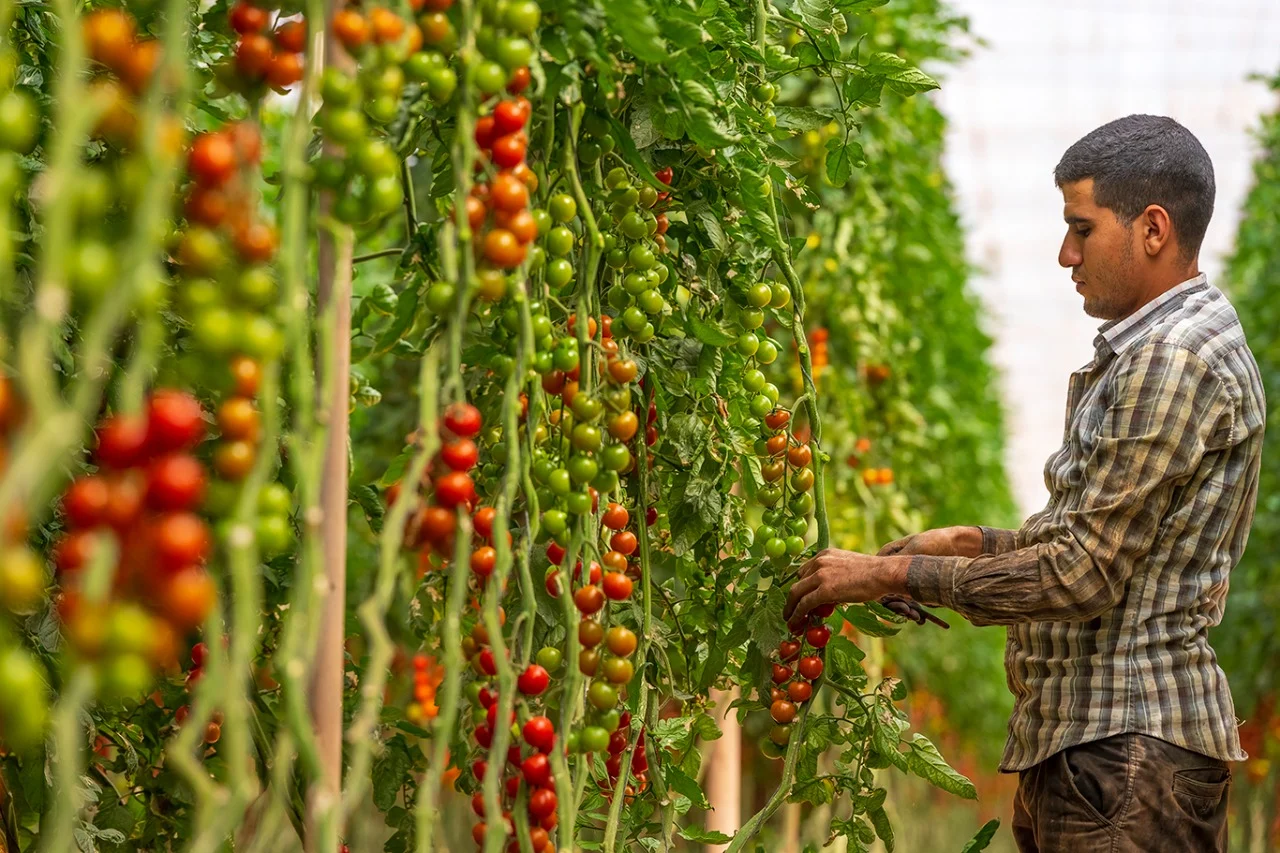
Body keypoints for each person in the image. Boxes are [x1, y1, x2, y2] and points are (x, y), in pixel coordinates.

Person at [782, 114, 1265, 853]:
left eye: (1082, 228)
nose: (1066, 253)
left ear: (1153, 229)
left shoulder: (1172, 359)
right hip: (1105, 755)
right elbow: (1112, 550)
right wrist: (970, 543)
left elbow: (1082, 575)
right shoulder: (1164, 347)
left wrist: (884, 574)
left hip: (1125, 757)